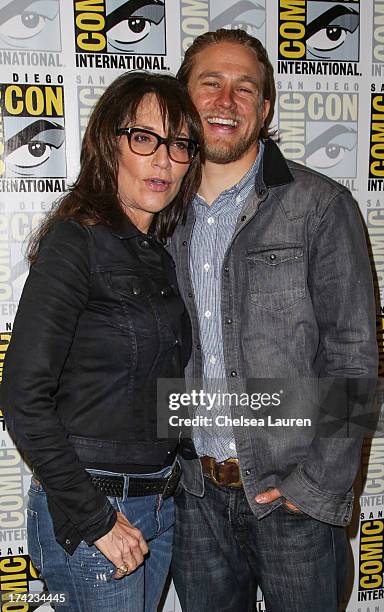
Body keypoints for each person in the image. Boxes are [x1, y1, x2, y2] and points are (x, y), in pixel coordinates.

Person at [169, 29, 378, 612]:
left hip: (293, 501)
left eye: (245, 88)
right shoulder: (158, 216)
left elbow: (355, 360)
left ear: (264, 109)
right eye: (210, 83)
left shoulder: (320, 207)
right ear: (185, 99)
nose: (226, 100)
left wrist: (315, 489)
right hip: (194, 500)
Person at [1, 71, 203, 612]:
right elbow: (22, 395)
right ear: (107, 144)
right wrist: (97, 521)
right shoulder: (76, 240)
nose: (164, 160)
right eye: (145, 138)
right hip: (97, 512)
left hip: (158, 505)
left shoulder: (156, 252)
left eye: (180, 144)